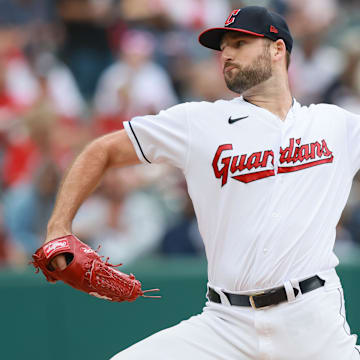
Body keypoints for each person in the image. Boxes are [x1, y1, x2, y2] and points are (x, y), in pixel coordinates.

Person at [44, 6, 360, 360]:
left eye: (239, 43)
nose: (226, 54)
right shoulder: (200, 122)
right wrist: (58, 227)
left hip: (311, 322)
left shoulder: (336, 126)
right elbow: (101, 151)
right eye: (223, 47)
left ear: (277, 49)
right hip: (226, 323)